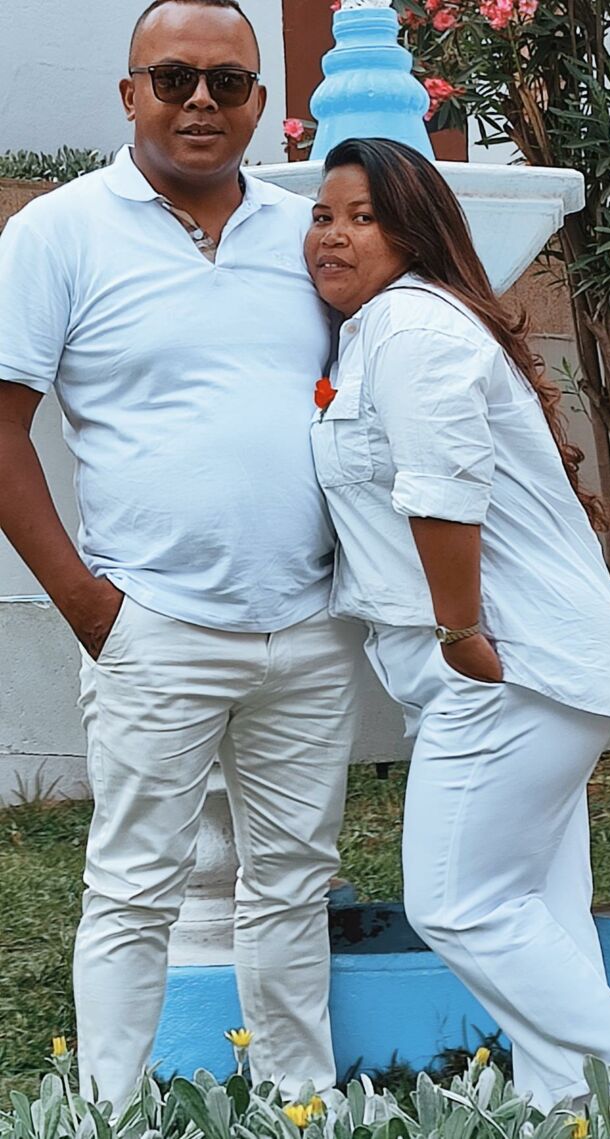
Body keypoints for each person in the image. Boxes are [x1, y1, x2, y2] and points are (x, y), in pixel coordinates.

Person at [0, 0, 363, 1108]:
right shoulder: (59, 232)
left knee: (294, 885)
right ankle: (110, 1114)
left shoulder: (305, 232)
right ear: (128, 94)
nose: (201, 101)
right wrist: (87, 605)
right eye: (173, 79)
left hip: (309, 623)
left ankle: (299, 1107)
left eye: (227, 82)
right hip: (152, 623)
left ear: (260, 102)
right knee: (132, 888)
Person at [305, 136, 610, 1111]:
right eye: (322, 215)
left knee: (459, 900)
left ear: (414, 232)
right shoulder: (380, 329)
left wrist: (459, 633)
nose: (333, 235)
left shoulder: (413, 328)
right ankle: (570, 1110)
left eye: (363, 217)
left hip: (504, 662)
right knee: (538, 906)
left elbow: (442, 491)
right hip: (520, 662)